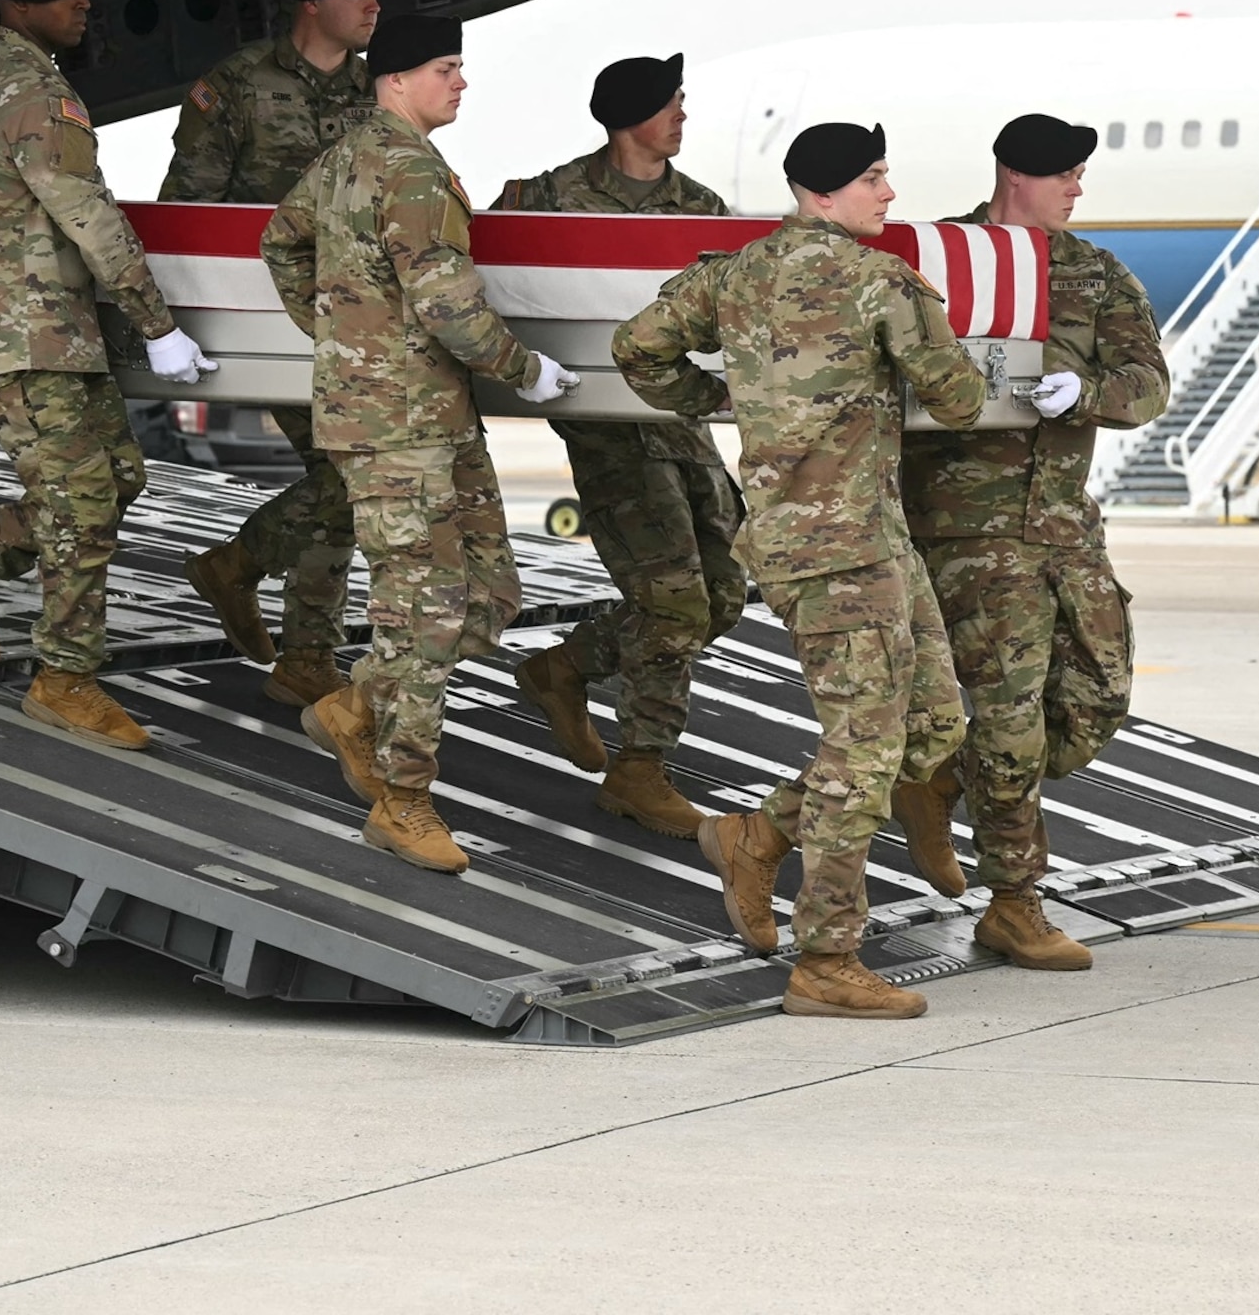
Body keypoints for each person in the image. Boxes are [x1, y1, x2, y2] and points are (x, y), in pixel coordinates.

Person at [612, 122, 986, 1020]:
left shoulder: (735, 275)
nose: (888, 194)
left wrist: (715, 398)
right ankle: (826, 959)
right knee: (866, 749)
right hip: (837, 553)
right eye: (873, 178)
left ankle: (756, 834)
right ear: (824, 192)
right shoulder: (880, 281)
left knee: (933, 725)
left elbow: (637, 346)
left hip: (865, 540)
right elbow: (960, 401)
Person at [265, 13, 580, 873]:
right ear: (397, 79)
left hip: (429, 417)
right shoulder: (408, 169)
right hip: (397, 429)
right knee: (428, 613)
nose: (461, 82)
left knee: (491, 598)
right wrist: (524, 370)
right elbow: (446, 304)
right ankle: (402, 801)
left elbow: (281, 240)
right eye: (446, 67)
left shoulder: (348, 158)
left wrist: (345, 334)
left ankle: (354, 707)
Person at [0, 0, 216, 747]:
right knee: (82, 501)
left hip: (36, 327)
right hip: (16, 332)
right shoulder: (34, 93)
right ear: (19, 5)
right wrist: (158, 326)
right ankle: (65, 679)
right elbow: (88, 215)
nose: (84, 3)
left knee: (117, 477)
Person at [898, 113, 1168, 971]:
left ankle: (943, 779)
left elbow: (1147, 384)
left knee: (1096, 699)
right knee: (1010, 720)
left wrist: (1084, 392)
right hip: (967, 529)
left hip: (1062, 523)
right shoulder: (939, 259)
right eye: (1066, 175)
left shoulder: (1095, 271)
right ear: (1019, 175)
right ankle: (1014, 902)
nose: (1078, 189)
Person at [493, 54, 748, 838]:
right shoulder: (546, 198)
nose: (682, 115)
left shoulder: (701, 209)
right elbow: (489, 276)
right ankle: (639, 770)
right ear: (630, 115)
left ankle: (562, 667)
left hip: (682, 426)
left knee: (722, 597)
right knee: (673, 603)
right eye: (671, 103)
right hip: (607, 430)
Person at [163, 0, 382, 708]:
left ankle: (257, 595)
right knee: (347, 474)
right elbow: (188, 207)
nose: (373, 6)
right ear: (311, 3)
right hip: (268, 318)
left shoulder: (380, 94)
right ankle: (294, 640)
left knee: (345, 476)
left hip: (354, 322)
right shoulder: (238, 85)